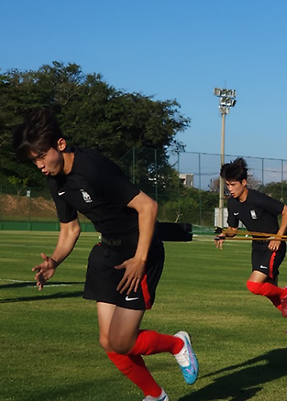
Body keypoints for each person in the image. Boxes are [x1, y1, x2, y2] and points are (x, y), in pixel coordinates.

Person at [12, 109, 197, 401]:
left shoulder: (94, 168)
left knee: (122, 340)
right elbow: (70, 229)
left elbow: (148, 207)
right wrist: (54, 262)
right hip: (106, 253)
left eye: (40, 156)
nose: (39, 166)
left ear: (60, 145)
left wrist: (139, 259)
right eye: (33, 160)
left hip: (138, 252)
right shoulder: (55, 180)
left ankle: (177, 344)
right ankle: (156, 396)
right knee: (109, 343)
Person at [218, 157, 287, 333]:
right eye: (227, 185)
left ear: (244, 182)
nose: (230, 189)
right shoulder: (232, 203)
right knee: (271, 292)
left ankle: (285, 293)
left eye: (233, 185)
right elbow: (233, 229)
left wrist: (278, 237)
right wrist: (224, 234)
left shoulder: (257, 198)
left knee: (254, 285)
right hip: (257, 247)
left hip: (274, 246)